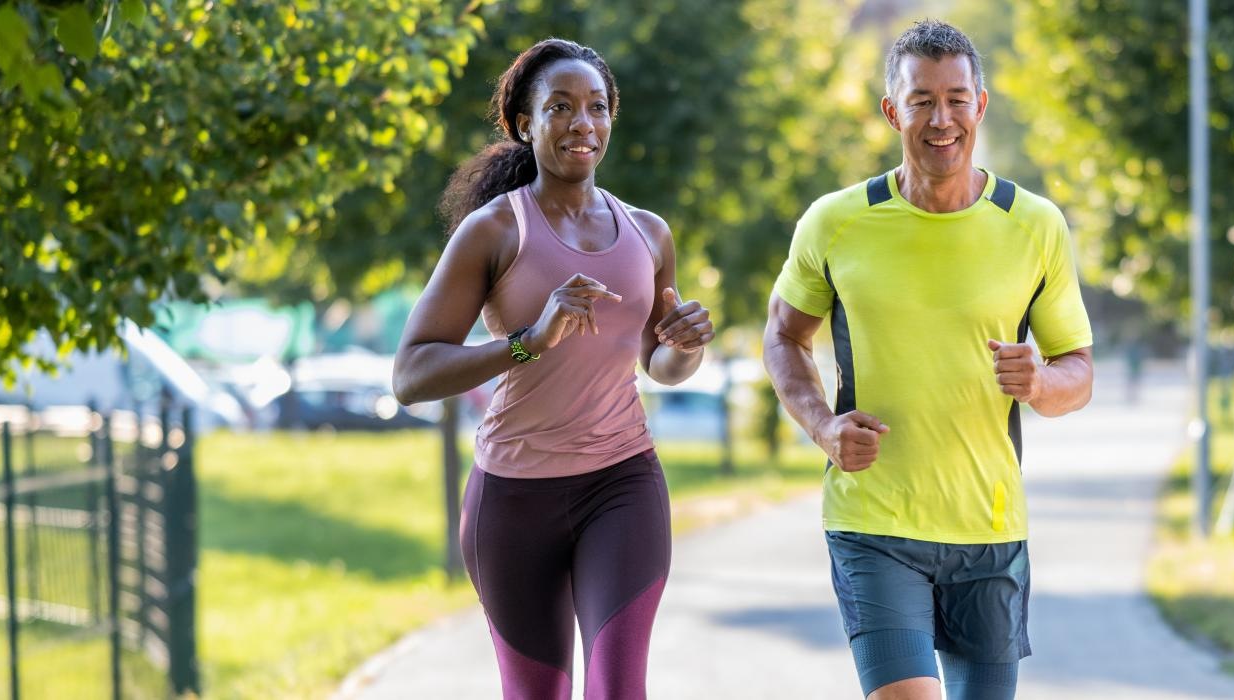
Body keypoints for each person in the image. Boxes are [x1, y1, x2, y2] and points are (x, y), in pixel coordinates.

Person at [762, 20, 1095, 700]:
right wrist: (823, 427)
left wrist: (1039, 381)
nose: (940, 119)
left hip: (990, 528)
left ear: (981, 104)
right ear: (893, 111)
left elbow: (1079, 372)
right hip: (873, 523)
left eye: (955, 99)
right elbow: (782, 336)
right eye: (921, 101)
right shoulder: (836, 222)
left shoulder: (1035, 225)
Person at [391, 38, 715, 699]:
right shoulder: (493, 232)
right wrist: (525, 342)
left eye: (596, 107)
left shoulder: (648, 233)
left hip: (622, 484)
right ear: (525, 124)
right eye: (560, 107)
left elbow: (659, 364)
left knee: (619, 689)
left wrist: (686, 346)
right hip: (513, 500)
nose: (582, 124)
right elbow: (411, 374)